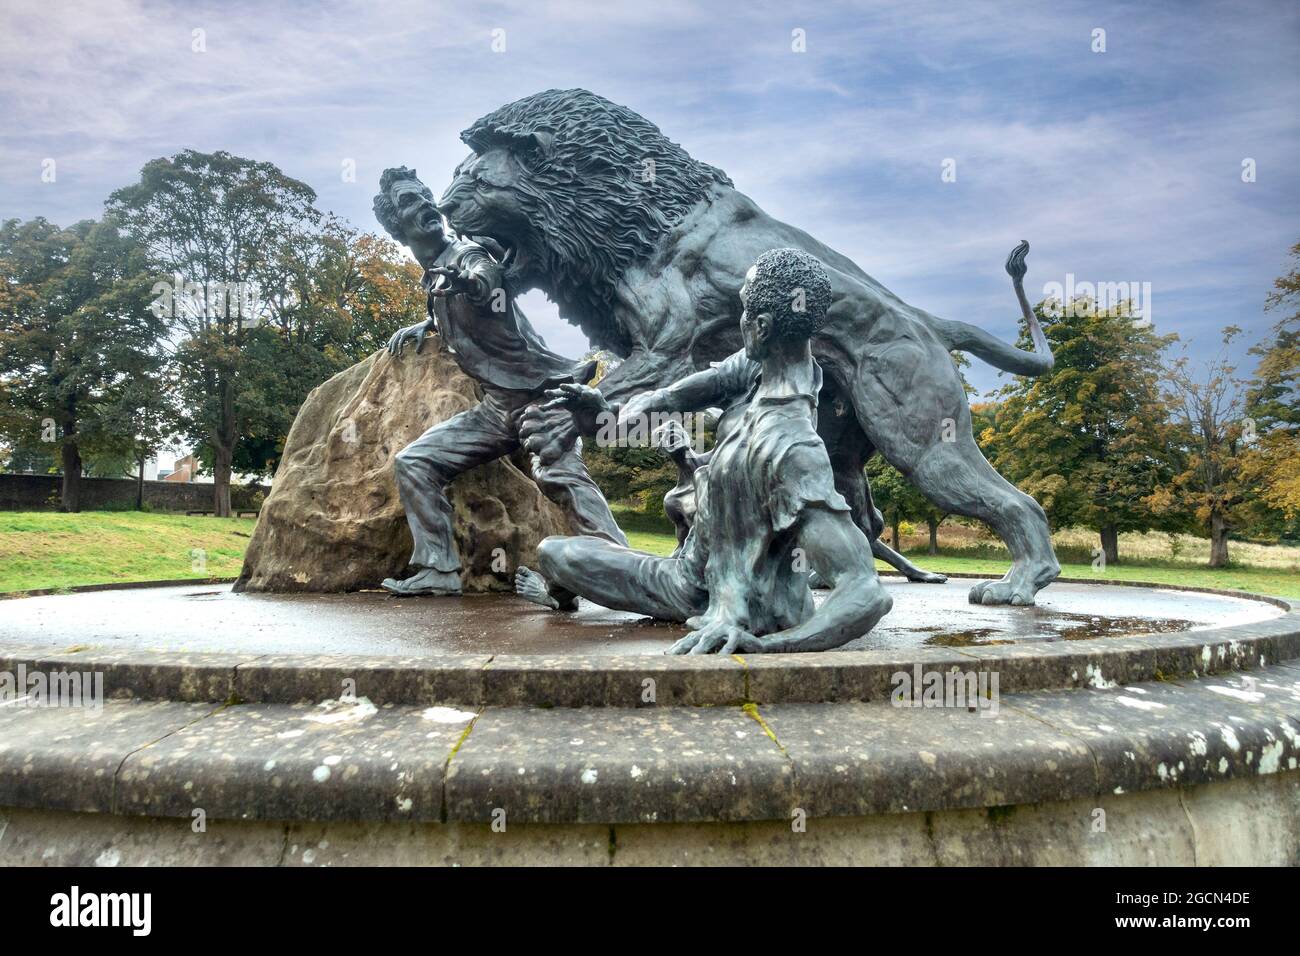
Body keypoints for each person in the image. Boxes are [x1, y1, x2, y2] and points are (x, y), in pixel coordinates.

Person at [517, 248, 893, 654]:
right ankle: (560, 594)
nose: (740, 320)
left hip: (699, 593)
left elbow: (864, 592)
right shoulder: (759, 368)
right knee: (555, 552)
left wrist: (772, 647)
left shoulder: (793, 449)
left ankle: (732, 610)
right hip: (691, 566)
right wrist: (608, 412)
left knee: (552, 551)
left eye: (744, 310)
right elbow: (690, 390)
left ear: (762, 327)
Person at [373, 166, 626, 596]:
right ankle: (439, 568)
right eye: (411, 202)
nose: (428, 205)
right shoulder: (435, 272)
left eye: (425, 195)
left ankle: (621, 569)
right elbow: (447, 308)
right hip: (497, 409)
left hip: (542, 397)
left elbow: (482, 279)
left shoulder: (467, 254)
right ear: (398, 228)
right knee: (414, 462)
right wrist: (428, 324)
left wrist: (468, 284)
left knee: (561, 478)